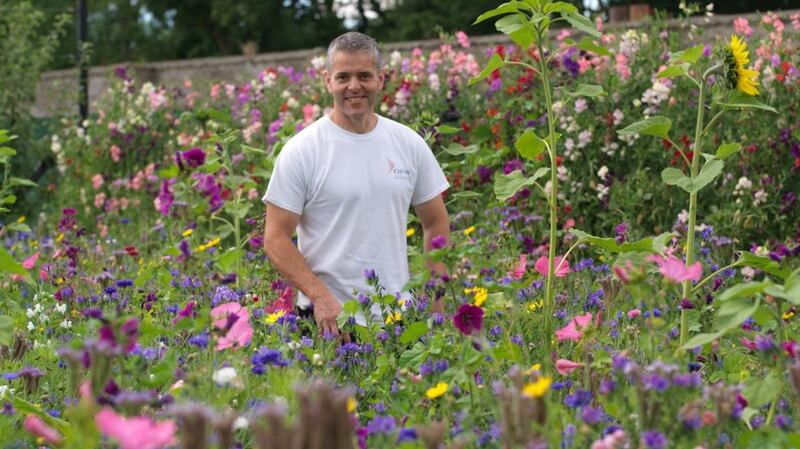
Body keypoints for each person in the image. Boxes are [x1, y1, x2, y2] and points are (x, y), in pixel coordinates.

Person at [262, 32, 450, 340]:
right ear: (328, 81)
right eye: (343, 76)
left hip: (398, 319)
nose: (354, 86)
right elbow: (275, 239)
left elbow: (436, 222)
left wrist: (436, 298)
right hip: (329, 322)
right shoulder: (303, 150)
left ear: (380, 78)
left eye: (364, 75)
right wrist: (321, 298)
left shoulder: (408, 143)